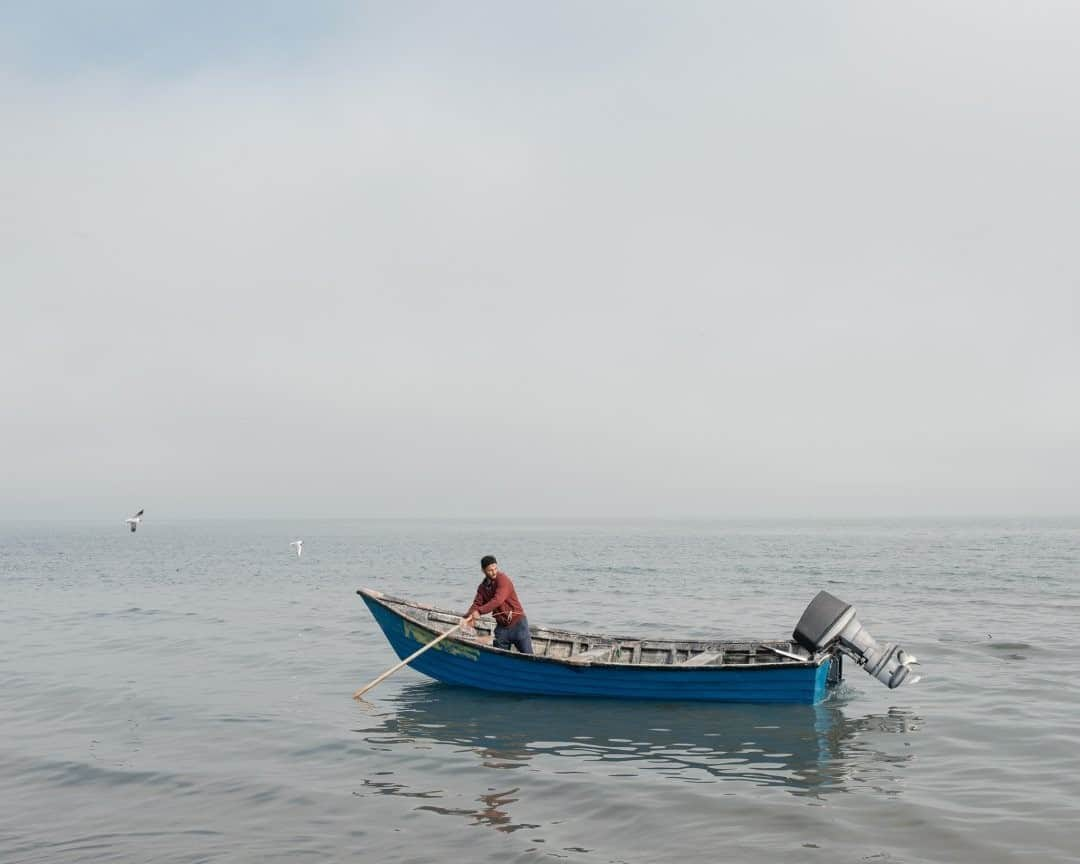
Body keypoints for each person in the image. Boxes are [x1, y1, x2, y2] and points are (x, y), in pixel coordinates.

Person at [461, 555, 533, 654]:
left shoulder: (503, 580)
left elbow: (498, 600)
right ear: (483, 571)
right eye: (490, 570)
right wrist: (467, 617)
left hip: (518, 624)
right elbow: (477, 604)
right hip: (502, 627)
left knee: (528, 656)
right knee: (500, 656)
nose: (494, 572)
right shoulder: (482, 588)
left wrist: (479, 612)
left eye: (495, 568)